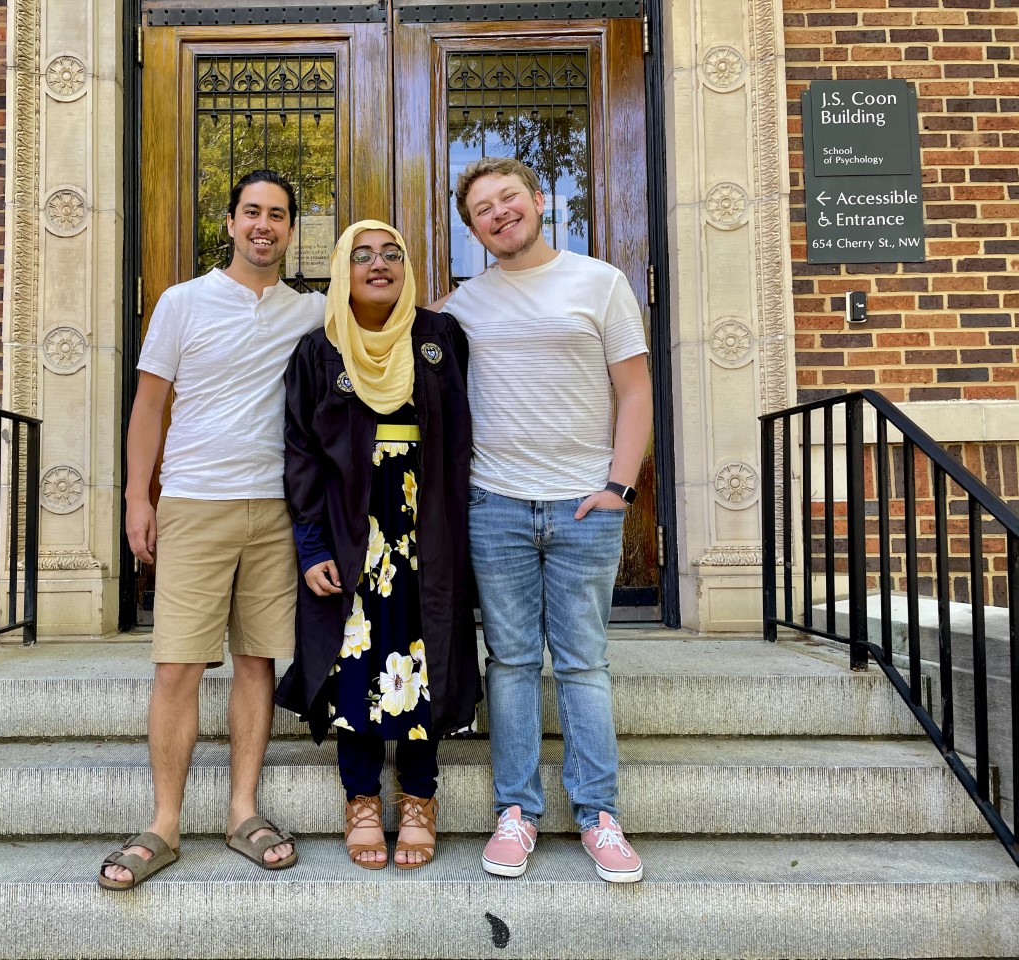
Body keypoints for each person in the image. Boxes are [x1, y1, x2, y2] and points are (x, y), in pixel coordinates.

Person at [99, 170, 324, 890]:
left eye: (278, 215)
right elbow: (148, 407)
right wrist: (140, 497)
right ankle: (164, 824)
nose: (264, 225)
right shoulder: (182, 302)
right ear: (229, 223)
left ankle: (242, 813)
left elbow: (395, 309)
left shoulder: (311, 313)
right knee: (178, 666)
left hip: (275, 509)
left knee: (258, 661)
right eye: (252, 212)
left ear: (291, 230)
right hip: (194, 502)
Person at [434, 157, 652, 882]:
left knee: (584, 662)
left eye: (508, 199)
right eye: (482, 211)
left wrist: (619, 486)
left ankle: (598, 814)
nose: (498, 214)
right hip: (494, 505)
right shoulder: (464, 306)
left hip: (585, 505)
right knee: (515, 662)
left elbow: (635, 391)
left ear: (537, 200)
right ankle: (517, 811)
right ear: (472, 231)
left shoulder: (600, 282)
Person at [276, 219, 479, 870]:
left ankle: (419, 796)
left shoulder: (439, 338)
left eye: (392, 253)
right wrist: (311, 546)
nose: (379, 264)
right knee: (353, 665)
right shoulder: (319, 351)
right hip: (348, 530)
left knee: (425, 659)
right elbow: (300, 454)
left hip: (429, 531)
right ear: (342, 270)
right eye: (362, 255)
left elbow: (464, 436)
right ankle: (361, 797)